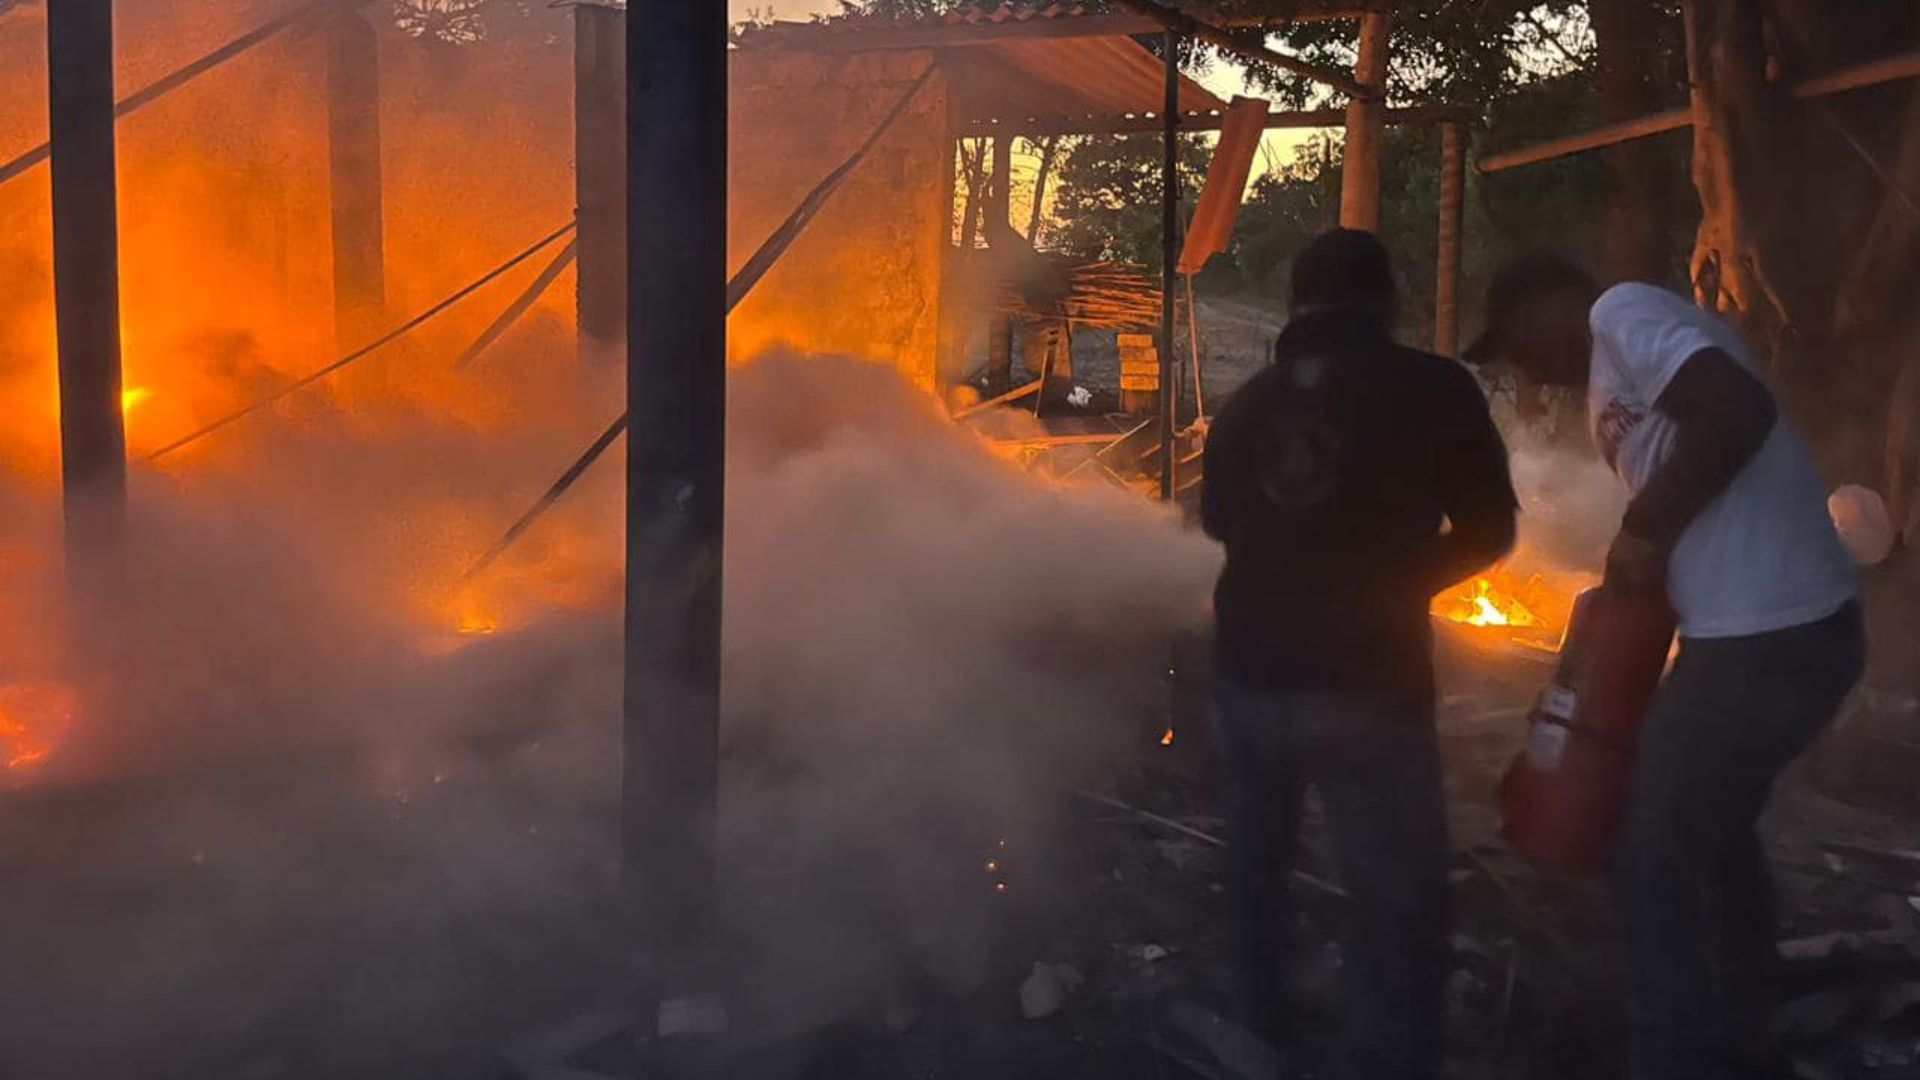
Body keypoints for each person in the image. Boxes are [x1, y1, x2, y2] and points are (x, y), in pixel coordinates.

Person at [1464, 254, 1864, 1080]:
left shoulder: (1623, 311)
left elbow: (1739, 411)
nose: (1528, 369)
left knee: (1652, 851)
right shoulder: (1612, 377)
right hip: (1745, 632)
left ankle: (1678, 1054)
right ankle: (1744, 1008)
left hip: (1774, 630)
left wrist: (1645, 528)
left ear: (1554, 297)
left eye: (1518, 343)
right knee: (1710, 835)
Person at [1201, 229, 1518, 1080]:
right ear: (1388, 302)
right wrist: (1402, 582)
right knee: (1396, 898)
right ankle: (1391, 1057)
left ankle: (1263, 1030)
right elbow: (1491, 527)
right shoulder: (1434, 389)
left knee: (1257, 871)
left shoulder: (1244, 408)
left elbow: (1220, 527)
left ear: (1294, 306)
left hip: (1245, 674)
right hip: (1365, 685)